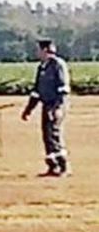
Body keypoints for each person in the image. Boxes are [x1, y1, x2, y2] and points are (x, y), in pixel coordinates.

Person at [21, 40, 72, 177]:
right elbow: (36, 91)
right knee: (46, 135)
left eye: (38, 49)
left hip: (57, 105)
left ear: (45, 50)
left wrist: (57, 108)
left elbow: (63, 88)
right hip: (46, 105)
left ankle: (63, 166)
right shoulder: (42, 67)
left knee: (54, 133)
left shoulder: (57, 65)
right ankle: (52, 165)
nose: (37, 52)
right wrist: (28, 110)